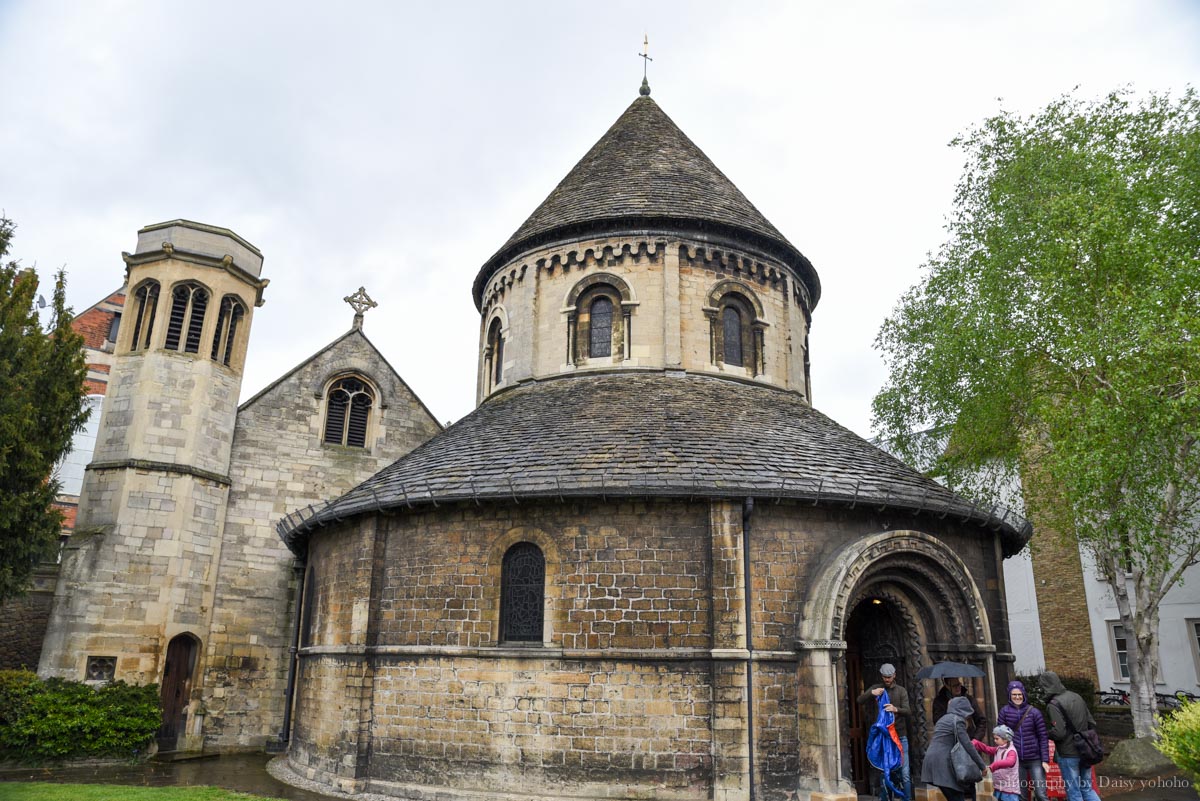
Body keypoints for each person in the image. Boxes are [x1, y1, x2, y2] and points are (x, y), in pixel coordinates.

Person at [1038, 671, 1101, 801]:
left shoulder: (1053, 704)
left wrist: (1044, 733)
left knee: (1074, 792)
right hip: (1086, 750)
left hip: (1068, 753)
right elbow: (1091, 722)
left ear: (1045, 686)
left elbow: (1059, 732)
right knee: (1087, 789)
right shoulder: (1077, 696)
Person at [857, 663, 912, 801]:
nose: (887, 679)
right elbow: (860, 700)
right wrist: (871, 693)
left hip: (900, 736)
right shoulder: (877, 688)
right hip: (884, 738)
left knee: (904, 772)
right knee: (885, 770)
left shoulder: (901, 691)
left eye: (889, 677)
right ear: (881, 676)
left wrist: (895, 709)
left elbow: (908, 711)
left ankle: (908, 798)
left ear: (894, 675)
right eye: (884, 677)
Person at [921, 695, 988, 801]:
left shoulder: (943, 719)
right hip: (943, 765)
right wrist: (982, 766)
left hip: (931, 763)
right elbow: (968, 745)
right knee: (958, 797)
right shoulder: (958, 720)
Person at [996, 680, 1050, 801]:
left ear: (1024, 695)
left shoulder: (1034, 712)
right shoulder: (1004, 712)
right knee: (1021, 796)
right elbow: (1000, 737)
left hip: (1035, 759)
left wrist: (1045, 760)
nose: (1017, 697)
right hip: (1016, 761)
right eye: (1014, 694)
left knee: (1041, 794)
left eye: (1020, 694)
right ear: (1009, 695)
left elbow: (1042, 737)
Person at [973, 725, 1020, 801]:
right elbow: (987, 749)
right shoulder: (999, 749)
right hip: (1000, 786)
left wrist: (994, 765)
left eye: (997, 738)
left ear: (1005, 739)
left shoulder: (1011, 751)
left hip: (1010, 790)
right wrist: (977, 743)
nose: (995, 740)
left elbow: (1010, 762)